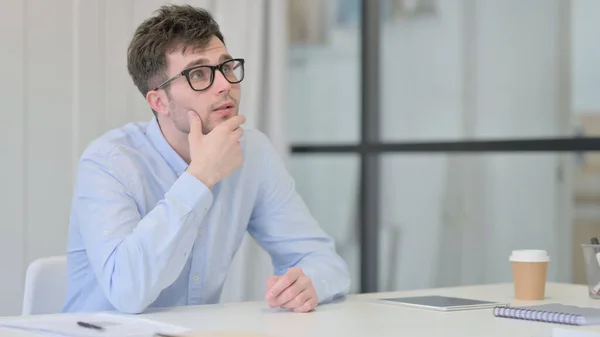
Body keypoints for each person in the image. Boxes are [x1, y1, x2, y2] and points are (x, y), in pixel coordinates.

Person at [61, 4, 350, 314]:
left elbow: (325, 262)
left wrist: (309, 283)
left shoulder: (253, 152)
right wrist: (199, 178)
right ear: (159, 100)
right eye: (199, 74)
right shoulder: (108, 162)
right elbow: (127, 292)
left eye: (226, 67)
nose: (226, 85)